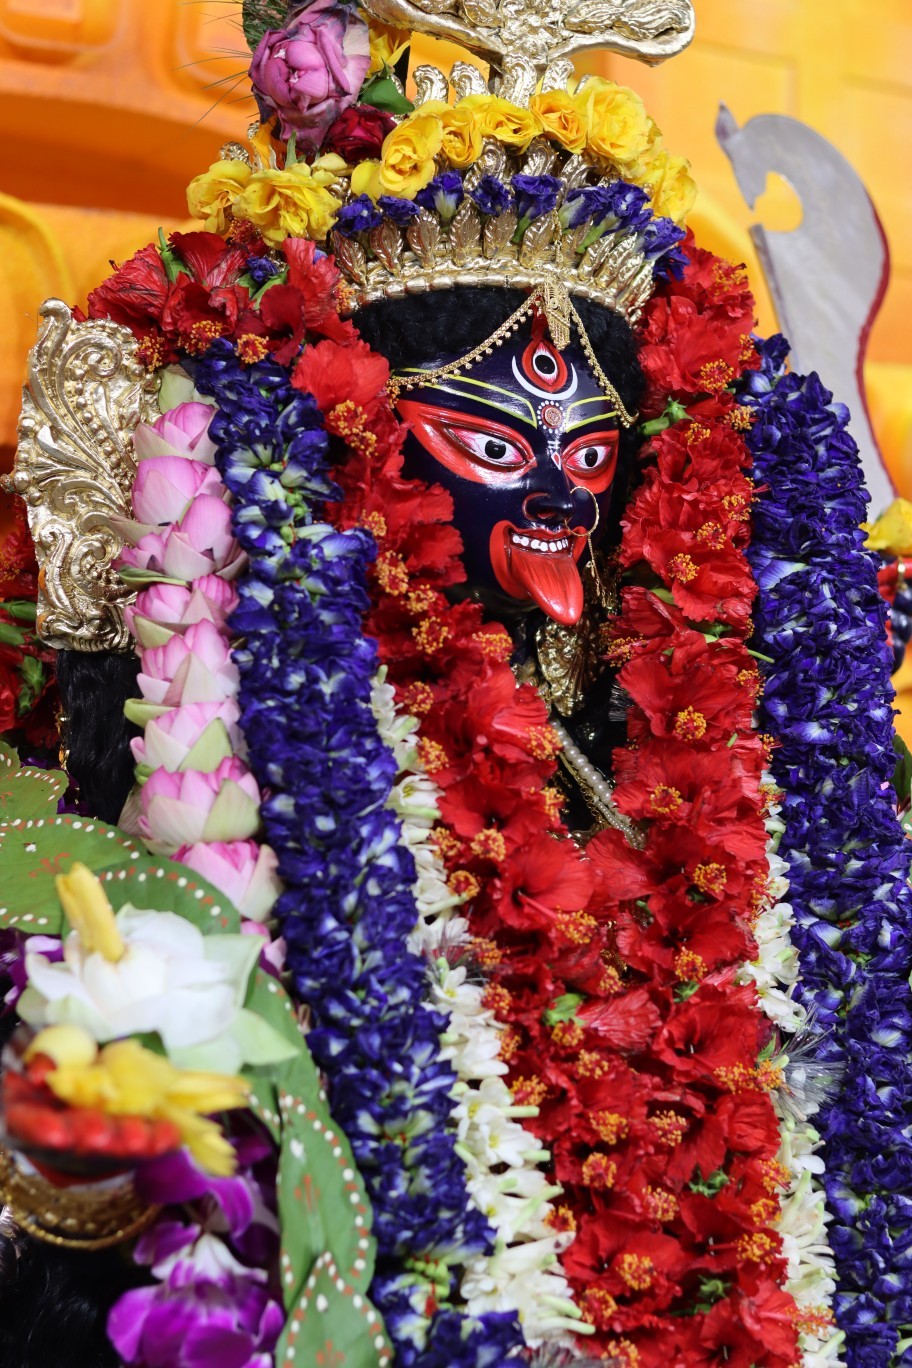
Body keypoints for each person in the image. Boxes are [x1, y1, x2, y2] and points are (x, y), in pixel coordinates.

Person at [0, 1, 907, 1364]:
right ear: (361, 455)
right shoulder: (239, 755)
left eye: (591, 454)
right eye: (490, 445)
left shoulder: (707, 746)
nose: (557, 496)